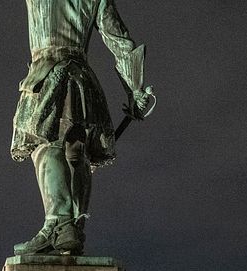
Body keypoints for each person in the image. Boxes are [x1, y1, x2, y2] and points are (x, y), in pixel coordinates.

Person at [9, 0, 154, 256]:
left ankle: (58, 224)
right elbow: (119, 40)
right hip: (80, 78)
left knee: (46, 145)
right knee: (77, 152)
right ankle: (72, 227)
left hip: (47, 72)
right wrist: (135, 88)